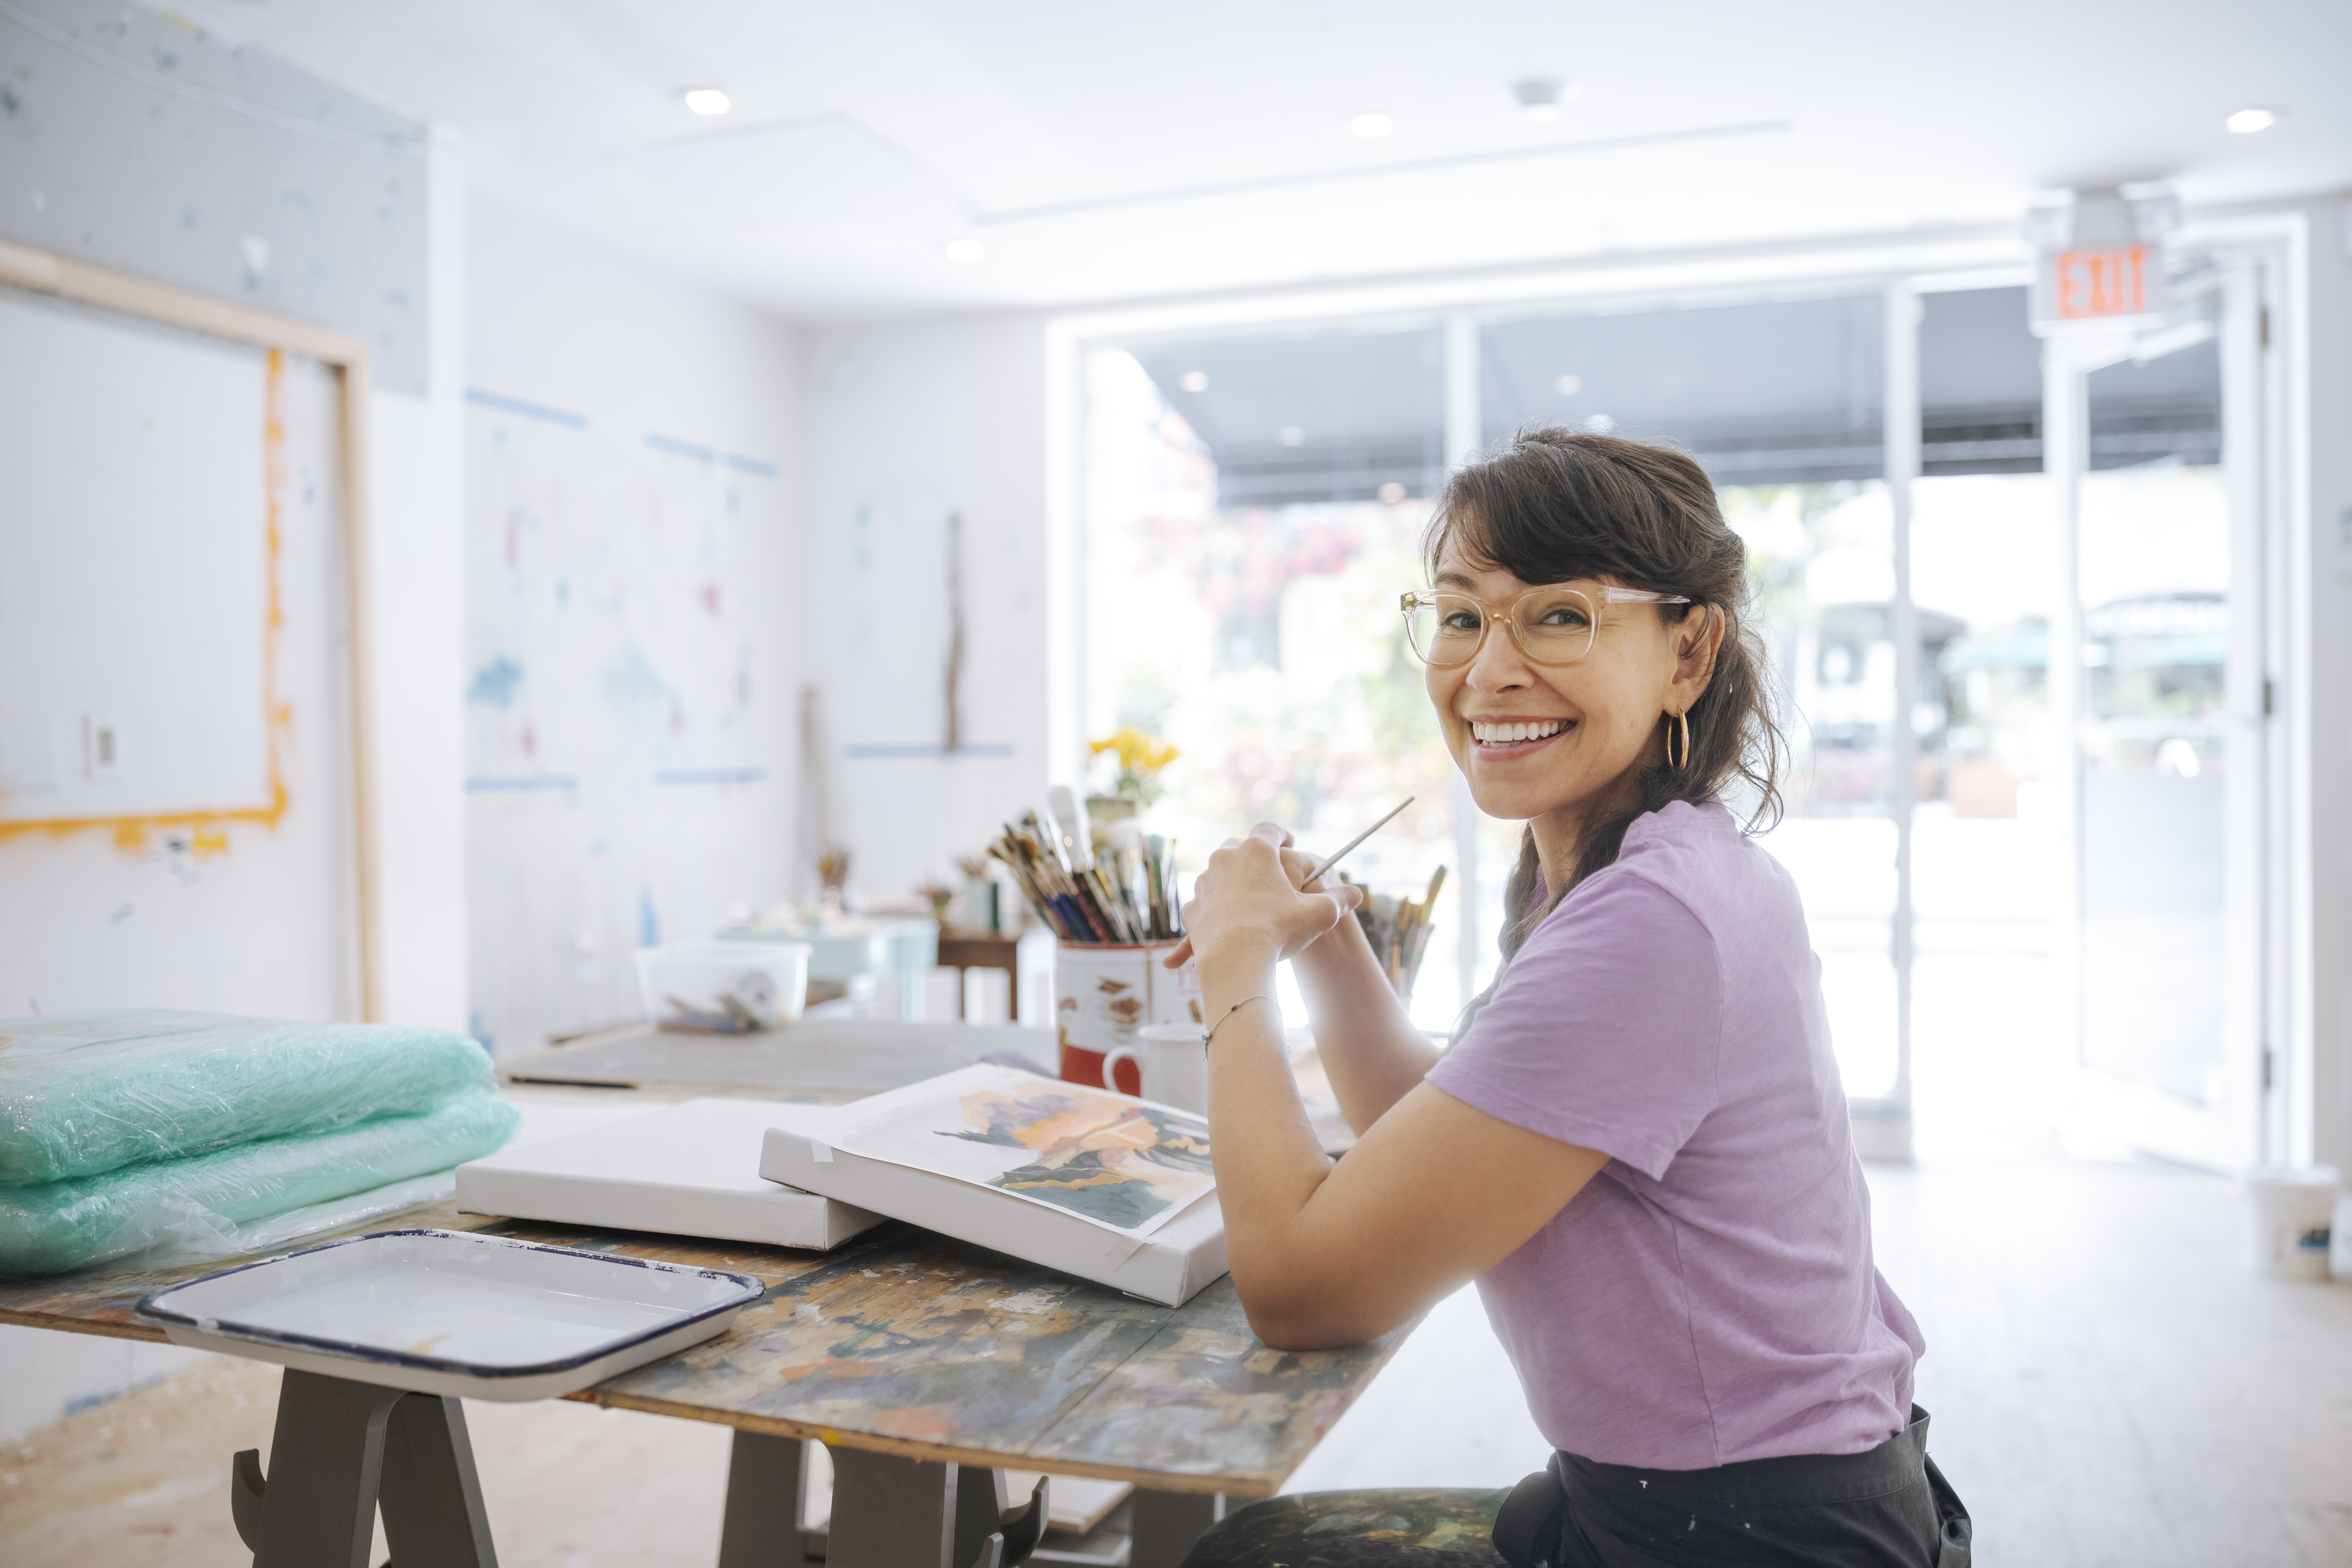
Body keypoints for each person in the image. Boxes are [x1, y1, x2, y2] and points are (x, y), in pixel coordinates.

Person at [1168, 429, 1969, 1567]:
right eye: (1459, 616)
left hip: (1749, 1538)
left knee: (1242, 1557)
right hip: (1740, 1496)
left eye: (1557, 616)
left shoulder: (1652, 924)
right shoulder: (1647, 864)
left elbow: (1305, 1294)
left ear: (1688, 652)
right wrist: (1325, 942)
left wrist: (1230, 964)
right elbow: (1441, 1141)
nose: (1487, 671)